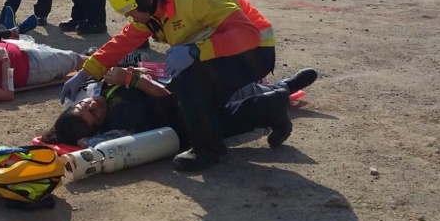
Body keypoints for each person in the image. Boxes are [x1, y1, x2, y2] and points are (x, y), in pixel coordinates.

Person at [59, 0, 286, 171]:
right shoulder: (154, 10)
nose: (131, 18)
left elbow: (249, 35)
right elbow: (122, 42)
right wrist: (86, 72)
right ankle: (270, 107)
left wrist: (196, 51)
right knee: (198, 112)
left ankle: (209, 150)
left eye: (131, 11)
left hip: (254, 54)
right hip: (224, 54)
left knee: (190, 89)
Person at [43, 68, 318, 149]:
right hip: (186, 106)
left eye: (82, 105)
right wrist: (133, 80)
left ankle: (281, 91)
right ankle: (284, 89)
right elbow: (163, 97)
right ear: (99, 126)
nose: (91, 104)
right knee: (241, 104)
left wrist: (134, 74)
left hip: (188, 90)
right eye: (92, 114)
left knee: (243, 102)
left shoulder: (103, 94)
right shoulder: (122, 116)